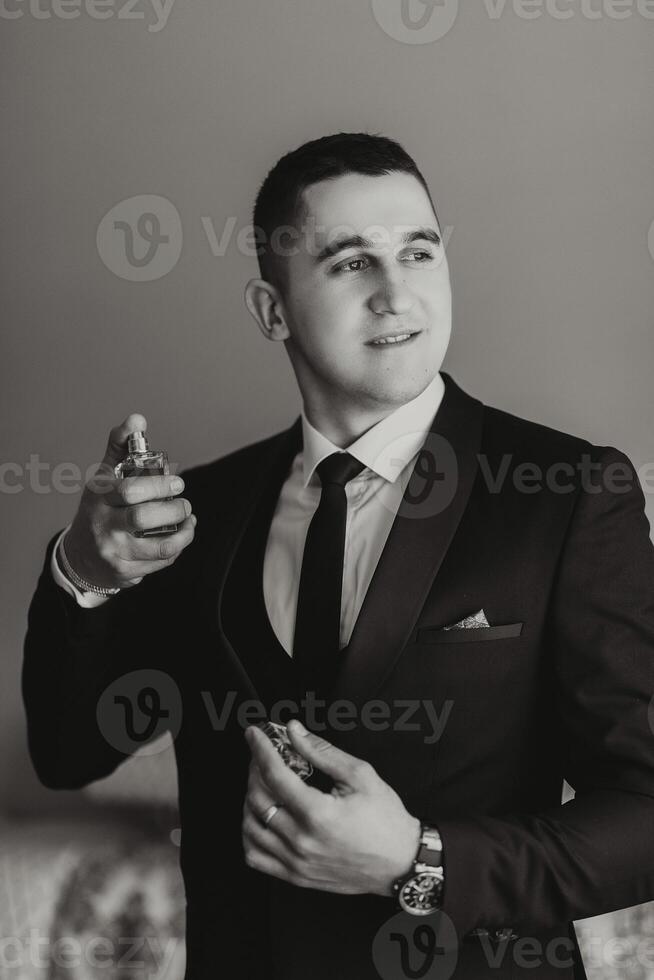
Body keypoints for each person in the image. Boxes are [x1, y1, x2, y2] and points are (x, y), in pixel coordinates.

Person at [23, 133, 654, 980]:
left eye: (419, 252)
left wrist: (419, 860)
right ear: (272, 310)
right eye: (352, 262)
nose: (398, 293)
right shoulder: (201, 514)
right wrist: (86, 572)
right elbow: (69, 755)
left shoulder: (566, 493)